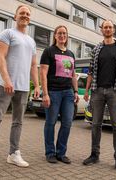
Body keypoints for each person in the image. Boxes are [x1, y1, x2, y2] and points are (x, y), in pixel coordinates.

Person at [0, 5, 39, 175]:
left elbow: (34, 65)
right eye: (22, 13)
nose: (25, 15)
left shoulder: (31, 41)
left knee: (18, 122)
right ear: (15, 16)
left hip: (23, 88)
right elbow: (0, 57)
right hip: (5, 86)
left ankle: (13, 154)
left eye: (27, 14)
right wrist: (6, 80)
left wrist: (37, 85)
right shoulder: (7, 34)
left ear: (29, 18)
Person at [82, 20, 116, 173]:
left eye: (110, 27)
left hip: (115, 91)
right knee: (95, 124)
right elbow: (90, 71)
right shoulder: (96, 49)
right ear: (101, 30)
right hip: (97, 91)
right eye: (105, 27)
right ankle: (94, 155)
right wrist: (87, 90)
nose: (108, 29)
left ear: (113, 30)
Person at [40, 25, 79, 164]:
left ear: (67, 36)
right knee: (50, 123)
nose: (62, 35)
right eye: (60, 33)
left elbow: (73, 74)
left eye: (64, 33)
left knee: (67, 123)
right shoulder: (48, 51)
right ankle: (50, 152)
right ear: (55, 36)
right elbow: (43, 73)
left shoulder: (71, 54)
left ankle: (61, 153)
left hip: (68, 93)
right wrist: (45, 94)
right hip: (53, 92)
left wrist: (75, 91)